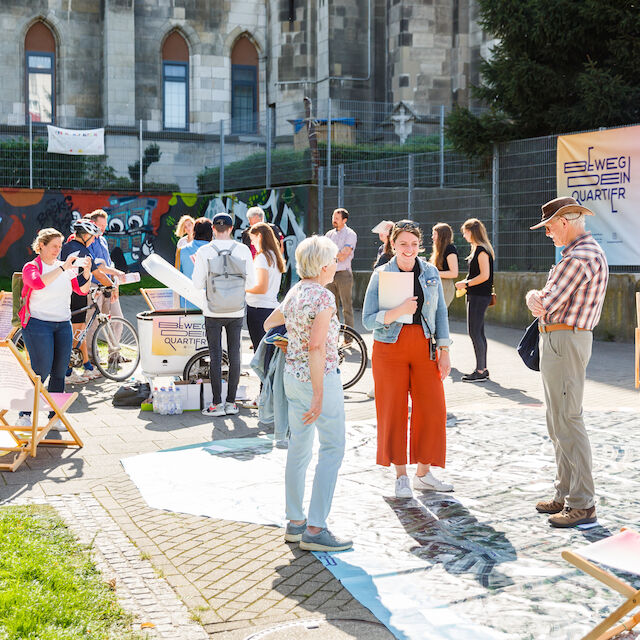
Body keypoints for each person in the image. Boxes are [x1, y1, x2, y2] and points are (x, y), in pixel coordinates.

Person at [264, 235, 352, 552]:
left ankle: (295, 522)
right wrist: (318, 394)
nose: (337, 265)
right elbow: (317, 347)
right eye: (334, 261)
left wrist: (292, 336)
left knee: (299, 449)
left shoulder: (297, 291)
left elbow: (269, 323)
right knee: (332, 448)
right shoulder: (324, 298)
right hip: (320, 379)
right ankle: (316, 529)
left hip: (292, 377)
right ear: (324, 265)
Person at [525, 196, 608, 528]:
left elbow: (544, 301)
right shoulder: (582, 254)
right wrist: (537, 298)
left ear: (564, 221)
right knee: (559, 420)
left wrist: (534, 296)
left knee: (566, 420)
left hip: (564, 339)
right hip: (562, 338)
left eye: (548, 226)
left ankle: (581, 502)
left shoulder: (579, 258)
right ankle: (567, 494)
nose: (547, 233)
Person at [362, 220, 452, 499]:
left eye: (414, 244)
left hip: (424, 346)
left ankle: (423, 474)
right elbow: (367, 320)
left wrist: (445, 350)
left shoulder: (431, 272)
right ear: (392, 245)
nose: (409, 249)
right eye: (403, 244)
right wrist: (397, 310)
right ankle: (400, 476)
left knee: (433, 408)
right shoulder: (380, 274)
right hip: (389, 347)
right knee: (393, 410)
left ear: (419, 245)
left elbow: (440, 315)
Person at [16, 228, 92, 429]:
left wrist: (87, 273)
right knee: (40, 370)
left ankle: (54, 416)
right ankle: (24, 415)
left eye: (60, 246)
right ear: (41, 246)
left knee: (59, 371)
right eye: (54, 246)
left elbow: (81, 291)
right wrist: (63, 269)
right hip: (37, 324)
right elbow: (38, 284)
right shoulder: (31, 267)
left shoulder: (64, 267)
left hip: (62, 324)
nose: (58, 250)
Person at [192, 212, 256, 417]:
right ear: (231, 229)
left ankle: (217, 404)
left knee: (215, 355)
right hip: (236, 309)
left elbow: (196, 284)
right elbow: (252, 283)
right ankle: (231, 402)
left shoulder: (204, 251)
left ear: (213, 229)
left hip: (212, 309)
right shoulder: (243, 250)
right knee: (235, 354)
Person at [61, 218, 108, 383]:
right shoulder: (83, 250)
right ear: (86, 235)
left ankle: (87, 367)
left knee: (80, 332)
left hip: (66, 292)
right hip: (77, 293)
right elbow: (98, 273)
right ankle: (67, 372)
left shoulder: (67, 246)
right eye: (93, 236)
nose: (94, 239)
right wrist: (111, 286)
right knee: (76, 333)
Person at [455, 218, 494, 382]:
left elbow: (484, 275)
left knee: (474, 332)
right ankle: (482, 368)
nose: (464, 235)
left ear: (472, 231)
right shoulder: (479, 249)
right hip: (477, 295)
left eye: (465, 232)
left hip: (479, 296)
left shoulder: (481, 250)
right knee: (478, 332)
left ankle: (480, 370)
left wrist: (466, 283)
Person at [84, 209, 126, 361]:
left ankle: (114, 355)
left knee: (117, 320)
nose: (103, 228)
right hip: (95, 288)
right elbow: (98, 268)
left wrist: (114, 283)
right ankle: (92, 357)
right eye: (100, 225)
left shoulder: (102, 240)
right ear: (92, 223)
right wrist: (116, 273)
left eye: (105, 224)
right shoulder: (88, 241)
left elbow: (108, 264)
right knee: (93, 324)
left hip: (108, 287)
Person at [245, 222, 286, 351]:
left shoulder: (262, 257)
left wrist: (243, 287)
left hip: (258, 309)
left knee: (261, 353)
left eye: (253, 239)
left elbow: (261, 288)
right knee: (268, 353)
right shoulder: (274, 255)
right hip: (269, 307)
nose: (252, 243)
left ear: (260, 236)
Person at [325, 208, 357, 329]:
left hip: (344, 274)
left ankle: (349, 338)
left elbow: (344, 255)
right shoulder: (329, 234)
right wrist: (337, 253)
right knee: (332, 307)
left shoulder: (350, 234)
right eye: (333, 217)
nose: (334, 220)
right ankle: (334, 336)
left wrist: (331, 253)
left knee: (346, 307)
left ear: (344, 220)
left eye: (337, 218)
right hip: (329, 274)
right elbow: (324, 252)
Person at [177, 217, 213, 309]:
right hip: (211, 304)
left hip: (187, 303)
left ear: (194, 231)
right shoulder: (217, 251)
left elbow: (176, 276)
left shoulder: (181, 251)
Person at [430, 223, 458, 307]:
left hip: (445, 286)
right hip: (436, 285)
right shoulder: (438, 250)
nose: (432, 237)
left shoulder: (450, 249)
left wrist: (434, 272)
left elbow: (454, 273)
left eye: (434, 234)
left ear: (442, 235)